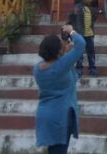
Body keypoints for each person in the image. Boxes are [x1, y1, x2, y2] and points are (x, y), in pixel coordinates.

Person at [35, 24, 85, 154]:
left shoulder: (38, 68)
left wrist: (62, 51)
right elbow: (81, 45)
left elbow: (58, 64)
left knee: (54, 150)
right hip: (61, 115)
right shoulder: (62, 66)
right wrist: (71, 31)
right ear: (57, 51)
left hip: (45, 113)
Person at [67, 0, 97, 76]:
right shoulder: (77, 7)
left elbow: (94, 19)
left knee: (91, 52)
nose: (90, 0)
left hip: (90, 34)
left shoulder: (91, 9)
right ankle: (79, 69)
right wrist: (73, 13)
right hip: (80, 34)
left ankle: (92, 69)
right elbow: (69, 17)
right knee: (79, 52)